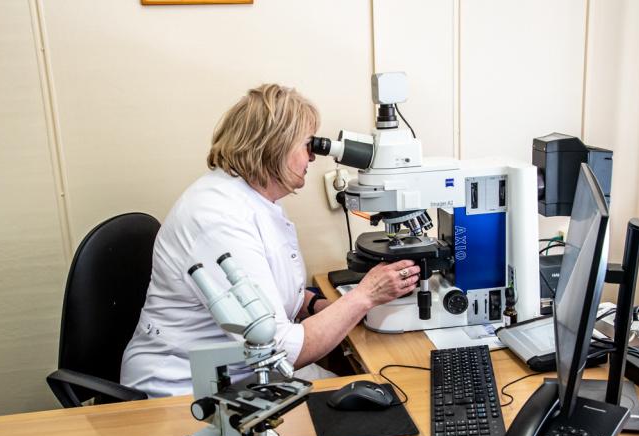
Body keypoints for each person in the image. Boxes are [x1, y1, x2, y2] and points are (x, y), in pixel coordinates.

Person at [120, 83, 421, 397]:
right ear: (275, 147)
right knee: (381, 399)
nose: (313, 156)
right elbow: (280, 349)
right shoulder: (218, 219)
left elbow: (270, 291)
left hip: (245, 368)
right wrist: (364, 296)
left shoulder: (254, 197)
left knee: (371, 388)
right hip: (185, 388)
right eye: (307, 145)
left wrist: (319, 305)